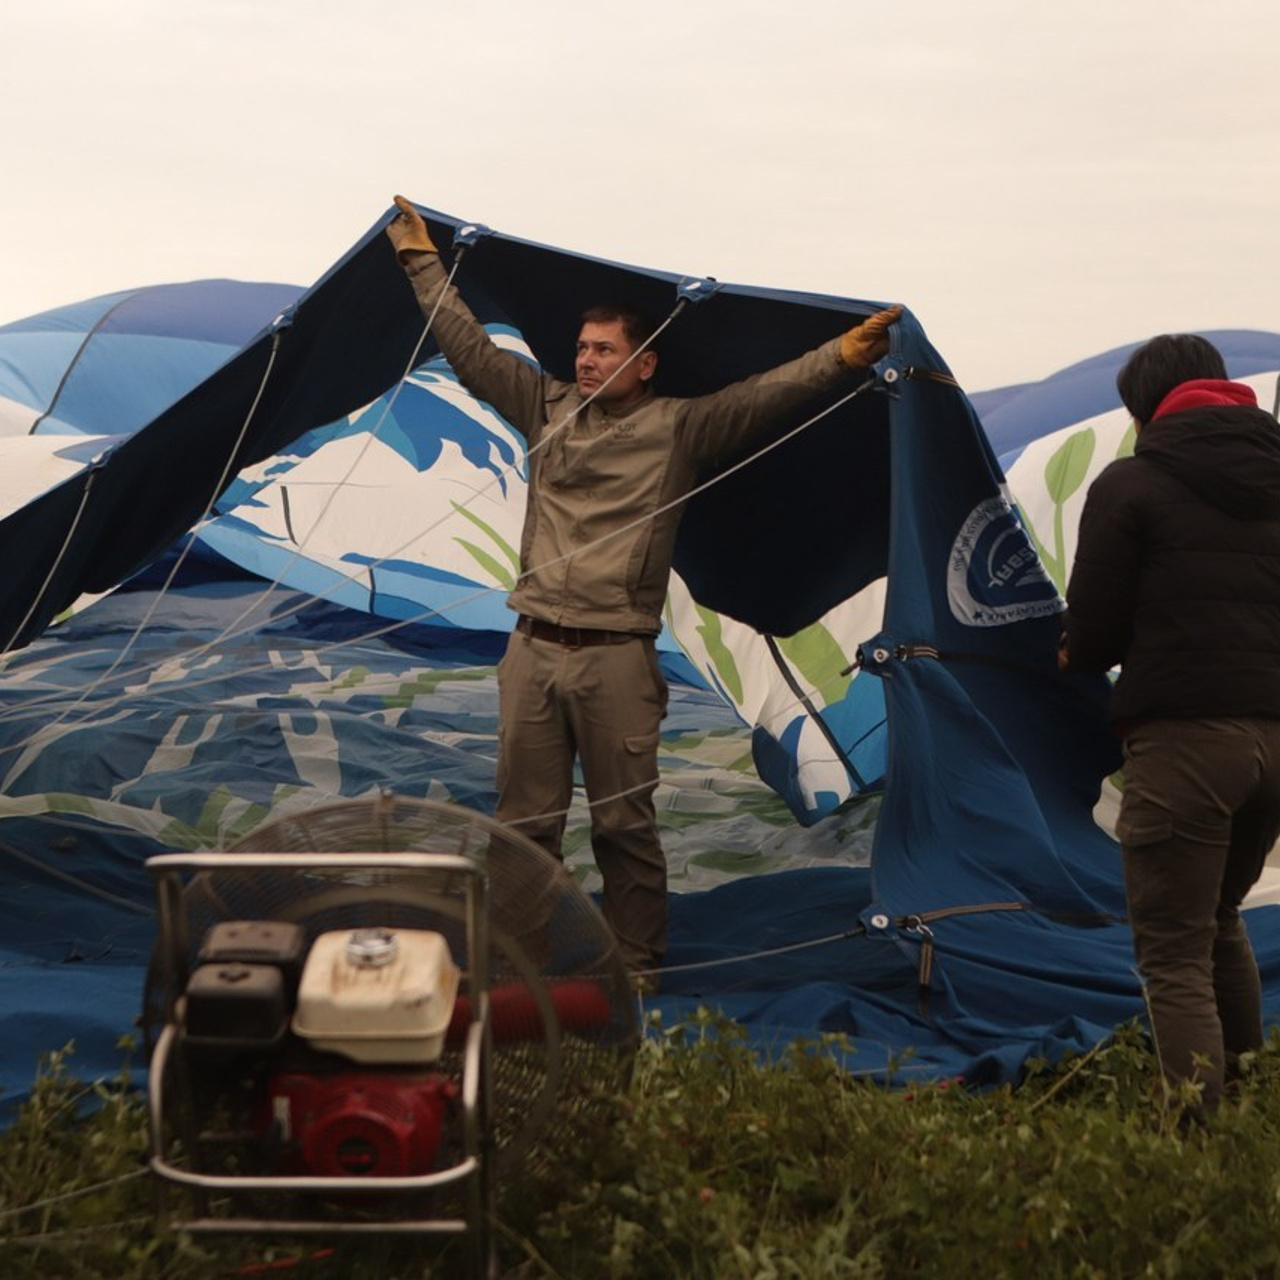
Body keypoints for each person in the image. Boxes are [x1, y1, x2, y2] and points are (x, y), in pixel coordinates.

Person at [386, 196, 901, 984]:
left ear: (645, 361)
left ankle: (635, 968)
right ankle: (512, 967)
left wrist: (846, 354)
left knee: (623, 824)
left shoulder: (680, 428)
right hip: (532, 652)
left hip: (617, 660)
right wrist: (422, 260)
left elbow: (768, 397)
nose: (586, 360)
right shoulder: (543, 407)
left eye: (604, 350)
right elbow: (467, 348)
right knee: (521, 827)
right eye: (581, 348)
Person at [1059, 333, 1280, 1110]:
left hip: (1187, 741)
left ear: (1145, 410)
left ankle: (1194, 1146)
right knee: (1220, 919)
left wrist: (1063, 657)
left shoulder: (1135, 483)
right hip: (1275, 740)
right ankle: (1250, 1106)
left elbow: (1092, 637)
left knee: (1174, 953)